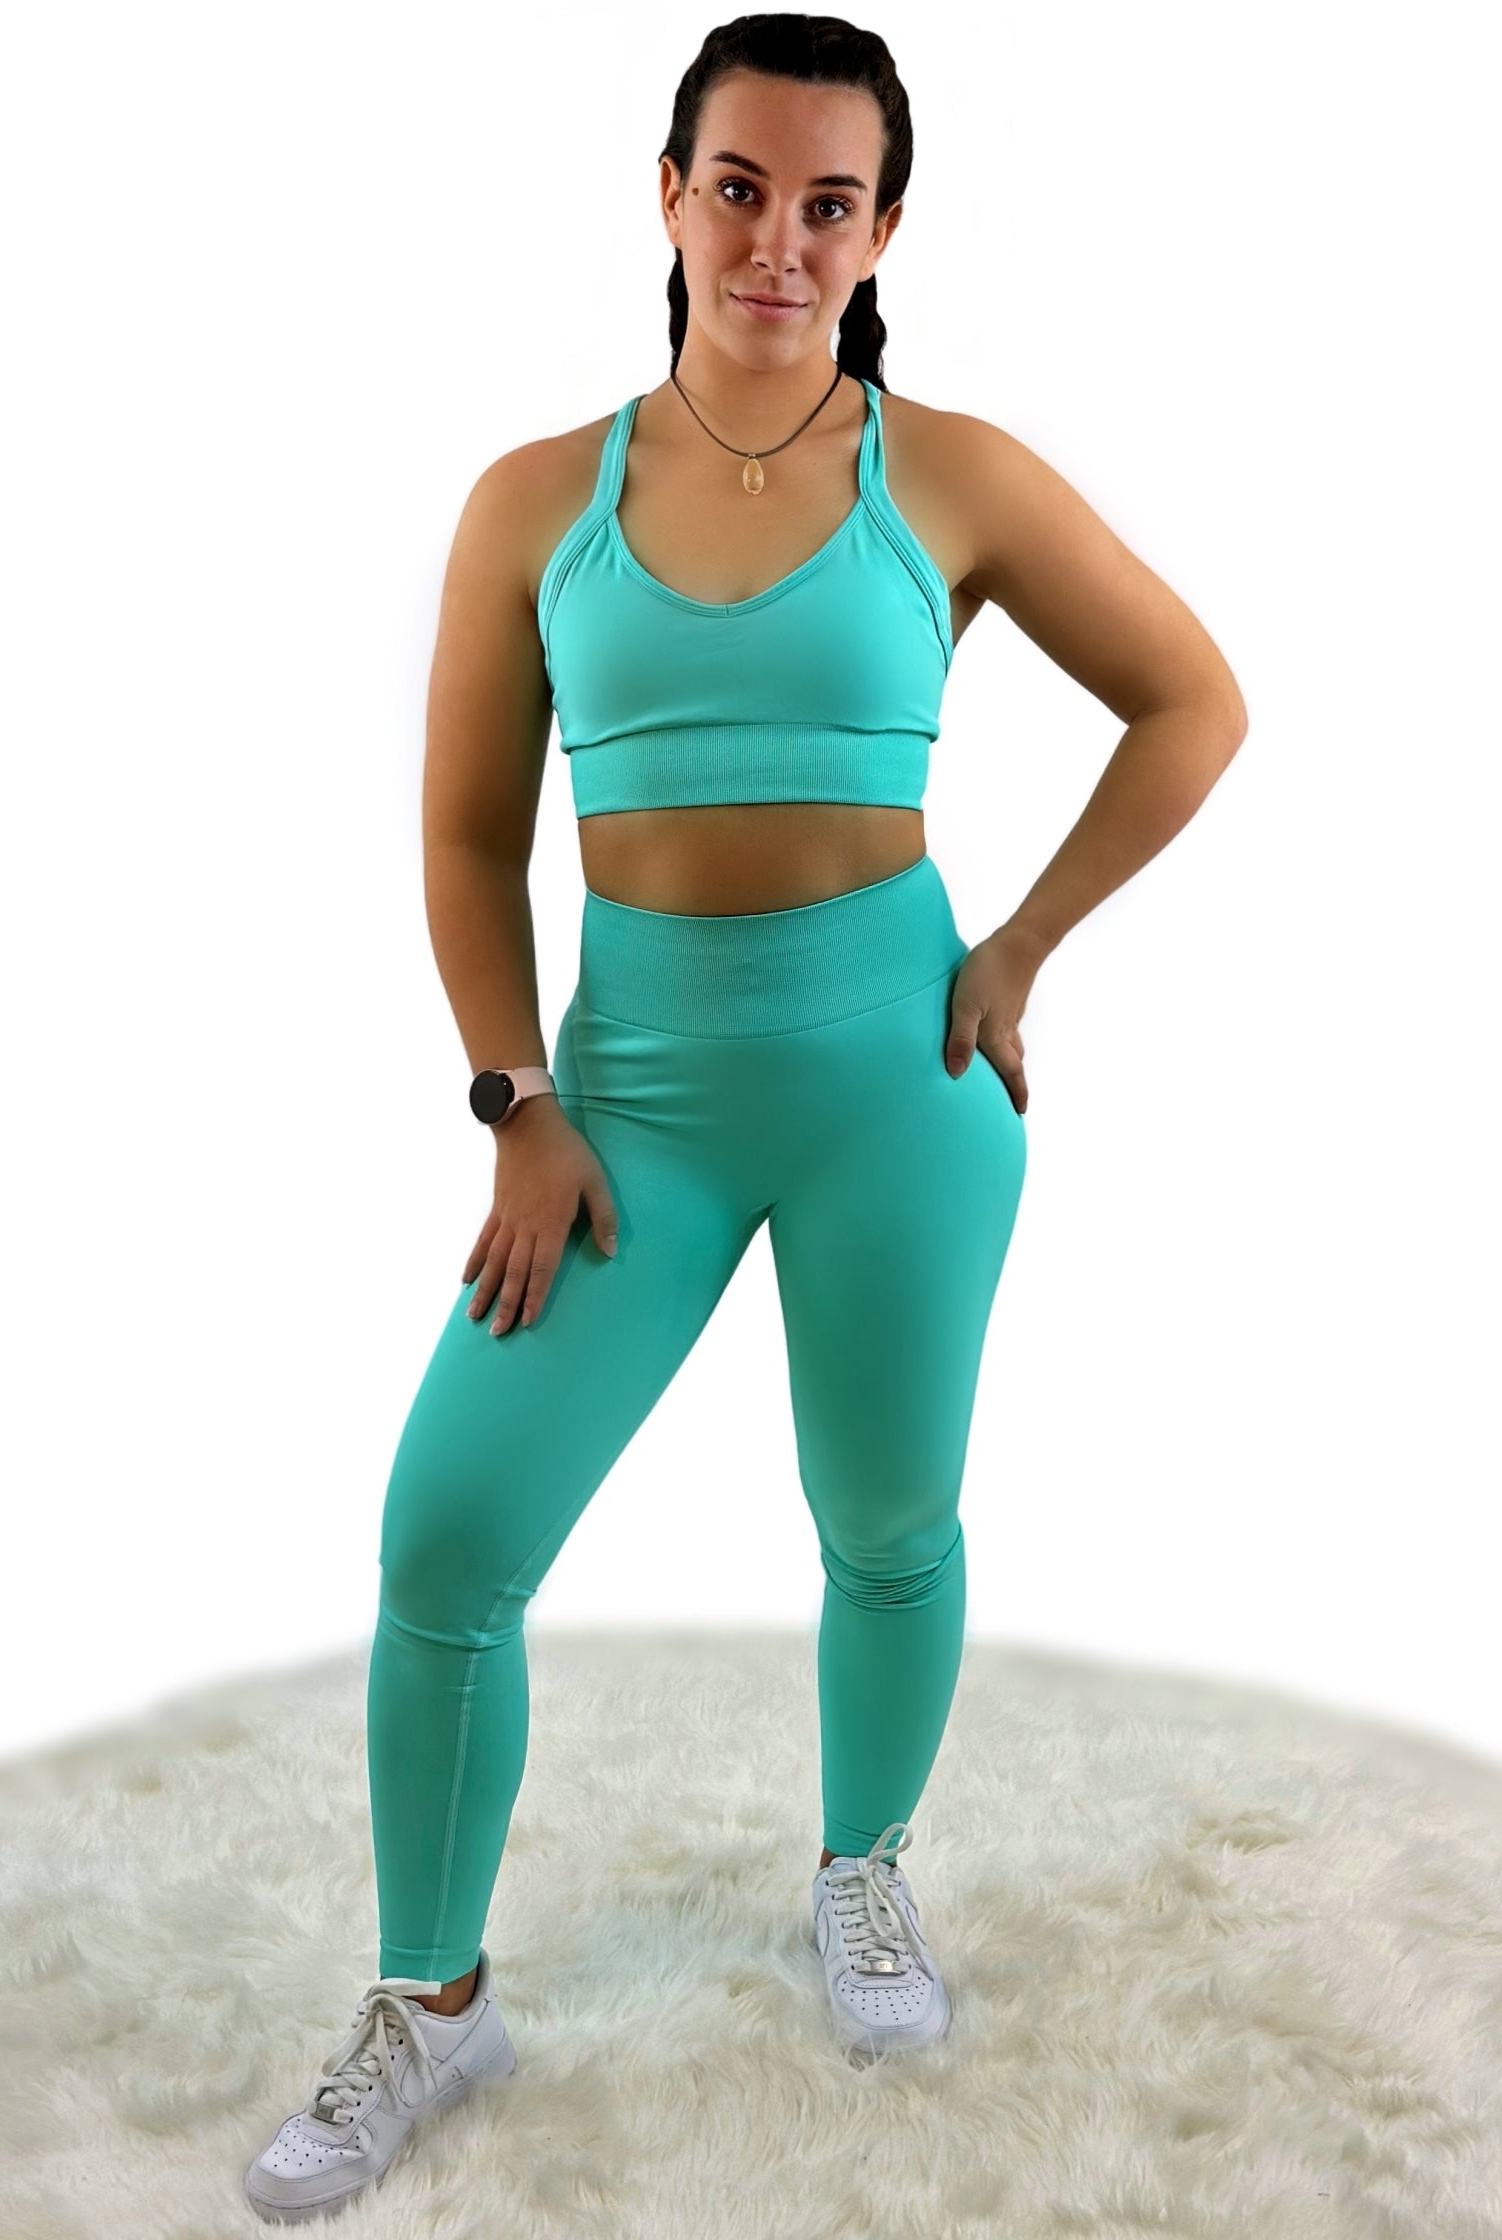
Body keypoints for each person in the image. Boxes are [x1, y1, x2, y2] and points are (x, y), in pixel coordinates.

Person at [244, 12, 1247, 2223]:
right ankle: (432, 1998)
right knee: (445, 1540)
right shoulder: (537, 498)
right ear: (668, 193)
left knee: (885, 1520)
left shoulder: (952, 473)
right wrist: (515, 1097)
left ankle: (860, 1866)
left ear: (883, 230)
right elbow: (462, 836)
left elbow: (1194, 699)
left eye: (827, 202)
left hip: (903, 1090)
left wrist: (1020, 950)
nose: (778, 239)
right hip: (630, 1112)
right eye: (739, 187)